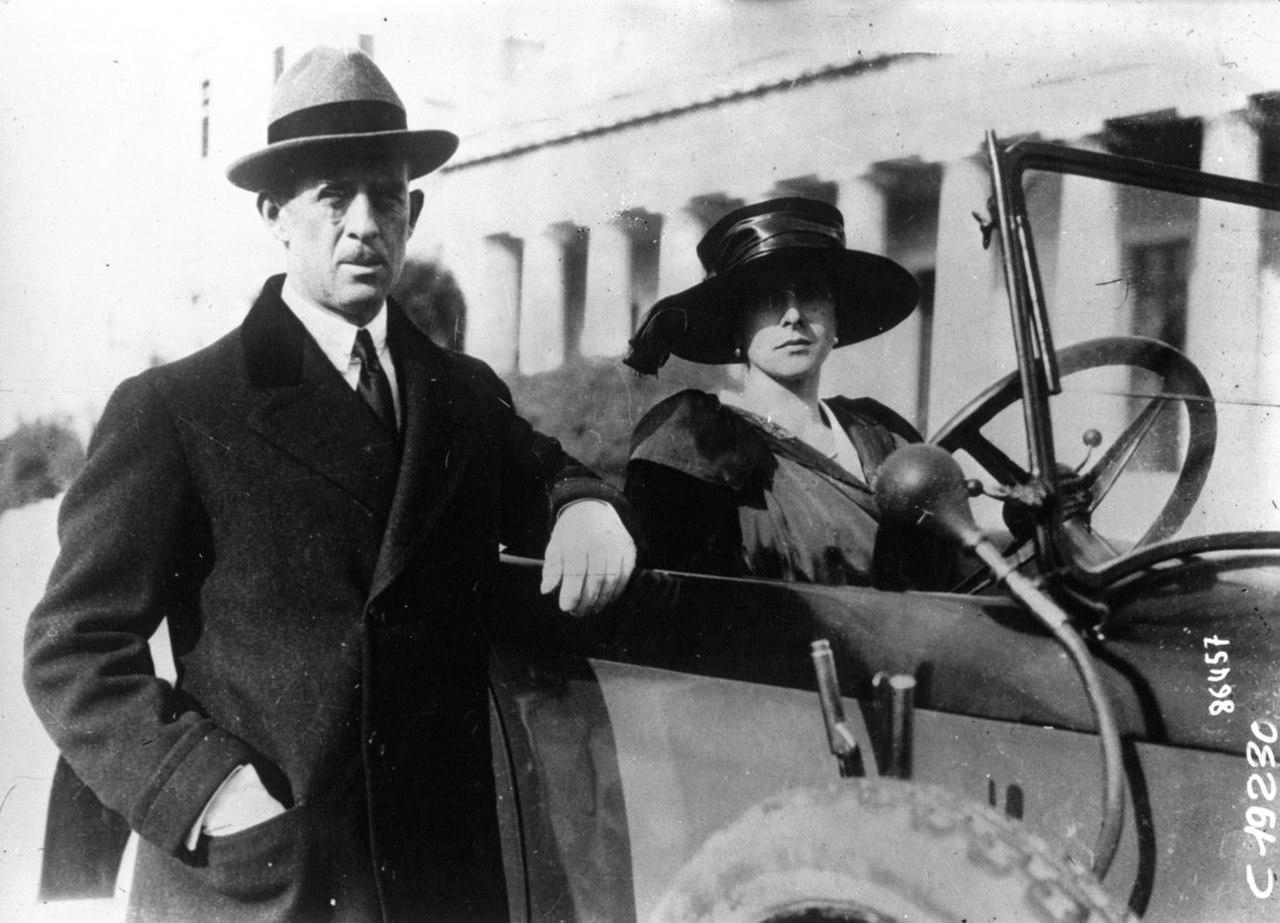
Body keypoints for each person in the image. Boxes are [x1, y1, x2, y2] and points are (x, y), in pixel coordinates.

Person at [24, 46, 635, 922]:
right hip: (263, 881)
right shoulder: (179, 406)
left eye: (385, 196)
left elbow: (545, 469)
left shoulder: (460, 394)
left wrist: (584, 504)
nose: (362, 224)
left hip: (439, 885)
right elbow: (72, 646)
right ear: (275, 213)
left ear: (413, 211)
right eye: (331, 197)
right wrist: (207, 791)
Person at [623, 197, 954, 590]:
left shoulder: (884, 435)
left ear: (836, 319)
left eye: (812, 295)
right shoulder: (692, 441)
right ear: (736, 325)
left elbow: (947, 584)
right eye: (767, 299)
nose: (793, 315)